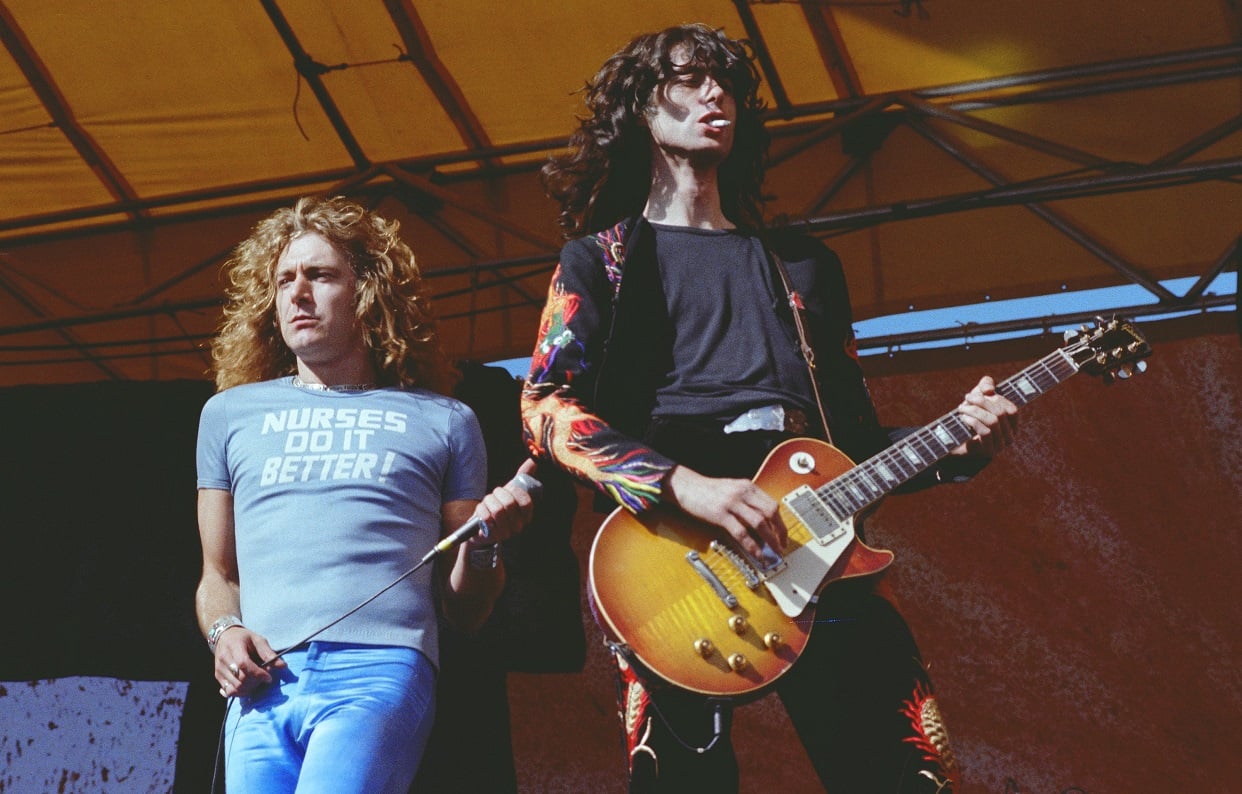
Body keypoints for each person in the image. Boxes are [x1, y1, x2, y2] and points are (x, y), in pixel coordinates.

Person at [520, 23, 1019, 793]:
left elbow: (853, 443)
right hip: (675, 557)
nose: (714, 94)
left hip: (824, 554)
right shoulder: (602, 261)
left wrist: (958, 444)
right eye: (689, 79)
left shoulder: (806, 268)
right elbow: (546, 407)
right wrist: (684, 484)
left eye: (725, 82)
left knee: (913, 778)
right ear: (642, 109)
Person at [194, 196, 535, 793]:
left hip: (377, 671)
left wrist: (485, 546)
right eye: (284, 279)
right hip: (262, 682)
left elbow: (466, 609)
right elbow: (216, 575)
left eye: (320, 275)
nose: (298, 293)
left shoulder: (445, 420)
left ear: (368, 293)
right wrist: (224, 633)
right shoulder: (228, 415)